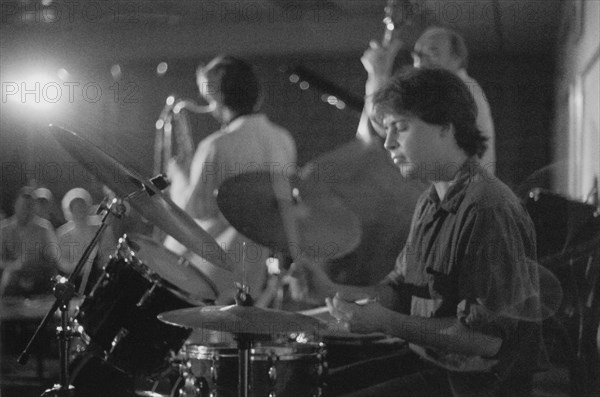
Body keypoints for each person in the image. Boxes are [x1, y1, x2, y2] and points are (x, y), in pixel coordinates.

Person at [300, 67, 547, 396]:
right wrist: (332, 289)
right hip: (432, 362)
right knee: (317, 385)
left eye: (400, 128)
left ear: (446, 127)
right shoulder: (430, 201)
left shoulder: (488, 208)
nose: (388, 143)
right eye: (387, 130)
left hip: (476, 383)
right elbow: (401, 291)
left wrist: (382, 321)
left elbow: (484, 340)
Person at [164, 55, 297, 306]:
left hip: (210, 268)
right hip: (254, 268)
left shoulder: (216, 146)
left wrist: (178, 175)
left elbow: (194, 210)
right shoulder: (283, 139)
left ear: (219, 95)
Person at [358, 26, 496, 174]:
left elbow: (384, 123)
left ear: (456, 59)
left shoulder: (456, 88)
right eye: (417, 56)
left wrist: (378, 74)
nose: (420, 63)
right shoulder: (459, 87)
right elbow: (387, 123)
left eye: (432, 53)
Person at [0, 187, 60, 297]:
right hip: (14, 276)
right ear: (15, 205)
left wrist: (34, 263)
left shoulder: (44, 228)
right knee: (8, 275)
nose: (25, 210)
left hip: (39, 274)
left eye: (29, 206)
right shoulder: (4, 229)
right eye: (22, 206)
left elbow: (53, 257)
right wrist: (16, 266)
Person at [56, 188, 115, 294]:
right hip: (75, 281)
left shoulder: (100, 227)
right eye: (76, 208)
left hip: (99, 278)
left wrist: (99, 266)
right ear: (70, 210)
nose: (79, 210)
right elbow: (61, 261)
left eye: (82, 206)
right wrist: (77, 268)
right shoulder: (63, 234)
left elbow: (110, 250)